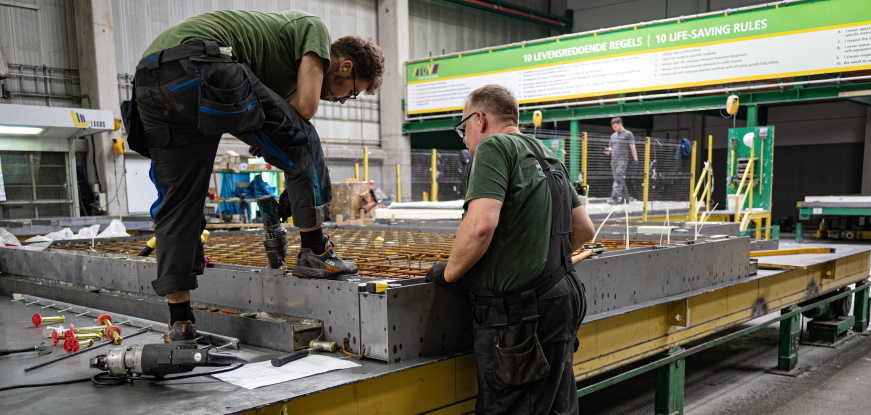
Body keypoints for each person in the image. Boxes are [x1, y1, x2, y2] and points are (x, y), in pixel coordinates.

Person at [124, 10, 384, 343]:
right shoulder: (314, 30)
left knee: (179, 204)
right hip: (203, 64)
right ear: (344, 66)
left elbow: (269, 115)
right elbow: (304, 111)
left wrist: (276, 150)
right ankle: (316, 252)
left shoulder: (273, 67)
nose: (342, 100)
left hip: (151, 80)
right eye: (351, 92)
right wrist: (292, 161)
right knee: (305, 140)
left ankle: (181, 323)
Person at [424, 84, 596, 414]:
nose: (465, 138)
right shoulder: (547, 154)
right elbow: (584, 229)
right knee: (556, 405)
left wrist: (450, 272)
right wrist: (532, 257)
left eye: (463, 128)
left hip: (521, 317)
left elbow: (481, 226)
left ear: (480, 119)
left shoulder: (493, 147)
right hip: (563, 299)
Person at [605, 117, 638, 204]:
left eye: (615, 126)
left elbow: (633, 147)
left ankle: (614, 198)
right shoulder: (613, 135)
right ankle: (626, 198)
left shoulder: (628, 134)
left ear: (620, 124)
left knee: (618, 178)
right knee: (618, 178)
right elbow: (611, 147)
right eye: (613, 127)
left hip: (622, 160)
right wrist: (608, 150)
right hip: (614, 160)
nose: (614, 128)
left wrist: (635, 160)